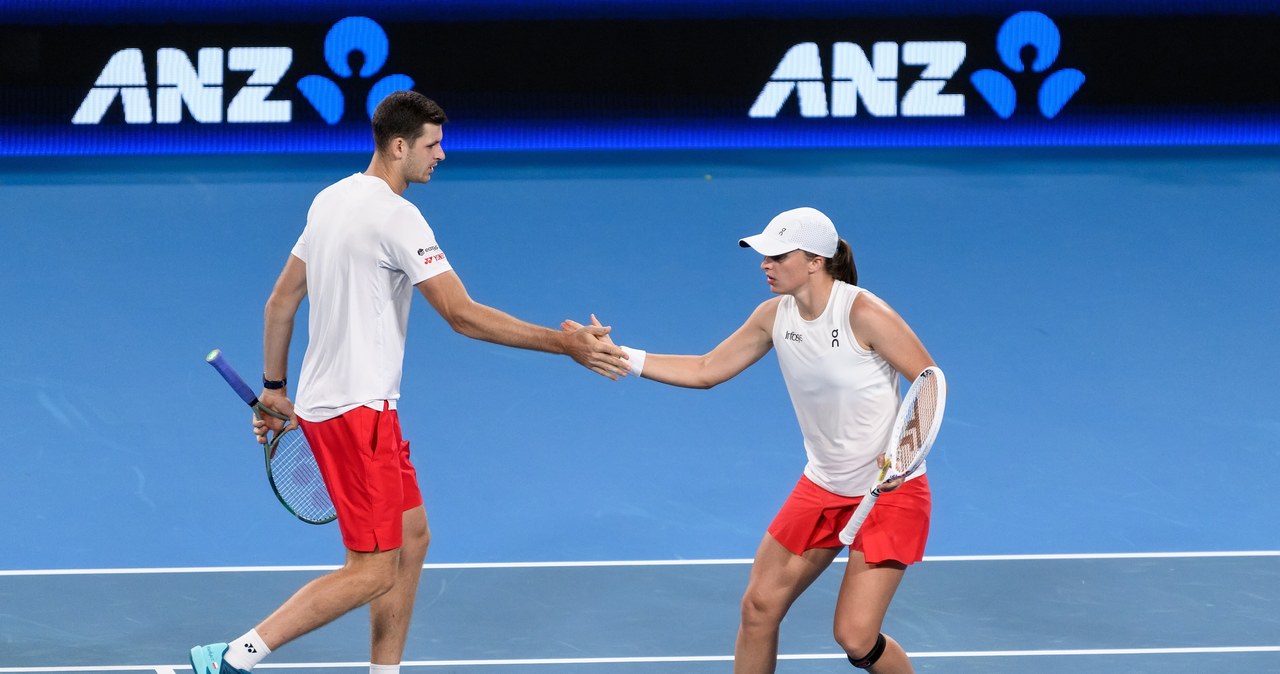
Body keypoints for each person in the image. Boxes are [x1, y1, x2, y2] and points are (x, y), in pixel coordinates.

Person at [189, 90, 630, 674]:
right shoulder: (399, 216)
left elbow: (280, 302)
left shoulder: (329, 200)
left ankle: (385, 672)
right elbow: (462, 315)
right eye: (433, 144)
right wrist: (564, 342)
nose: (441, 155)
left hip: (345, 409)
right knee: (371, 570)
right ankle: (233, 658)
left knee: (412, 536)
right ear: (399, 147)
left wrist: (273, 389)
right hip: (357, 414)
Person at [565, 207, 936, 673]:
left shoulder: (863, 312)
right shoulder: (772, 316)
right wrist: (619, 355)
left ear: (816, 260)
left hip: (890, 493)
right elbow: (705, 370)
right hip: (824, 486)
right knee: (758, 609)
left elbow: (930, 381)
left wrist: (903, 454)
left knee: (855, 636)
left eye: (778, 255)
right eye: (764, 255)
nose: (765, 264)